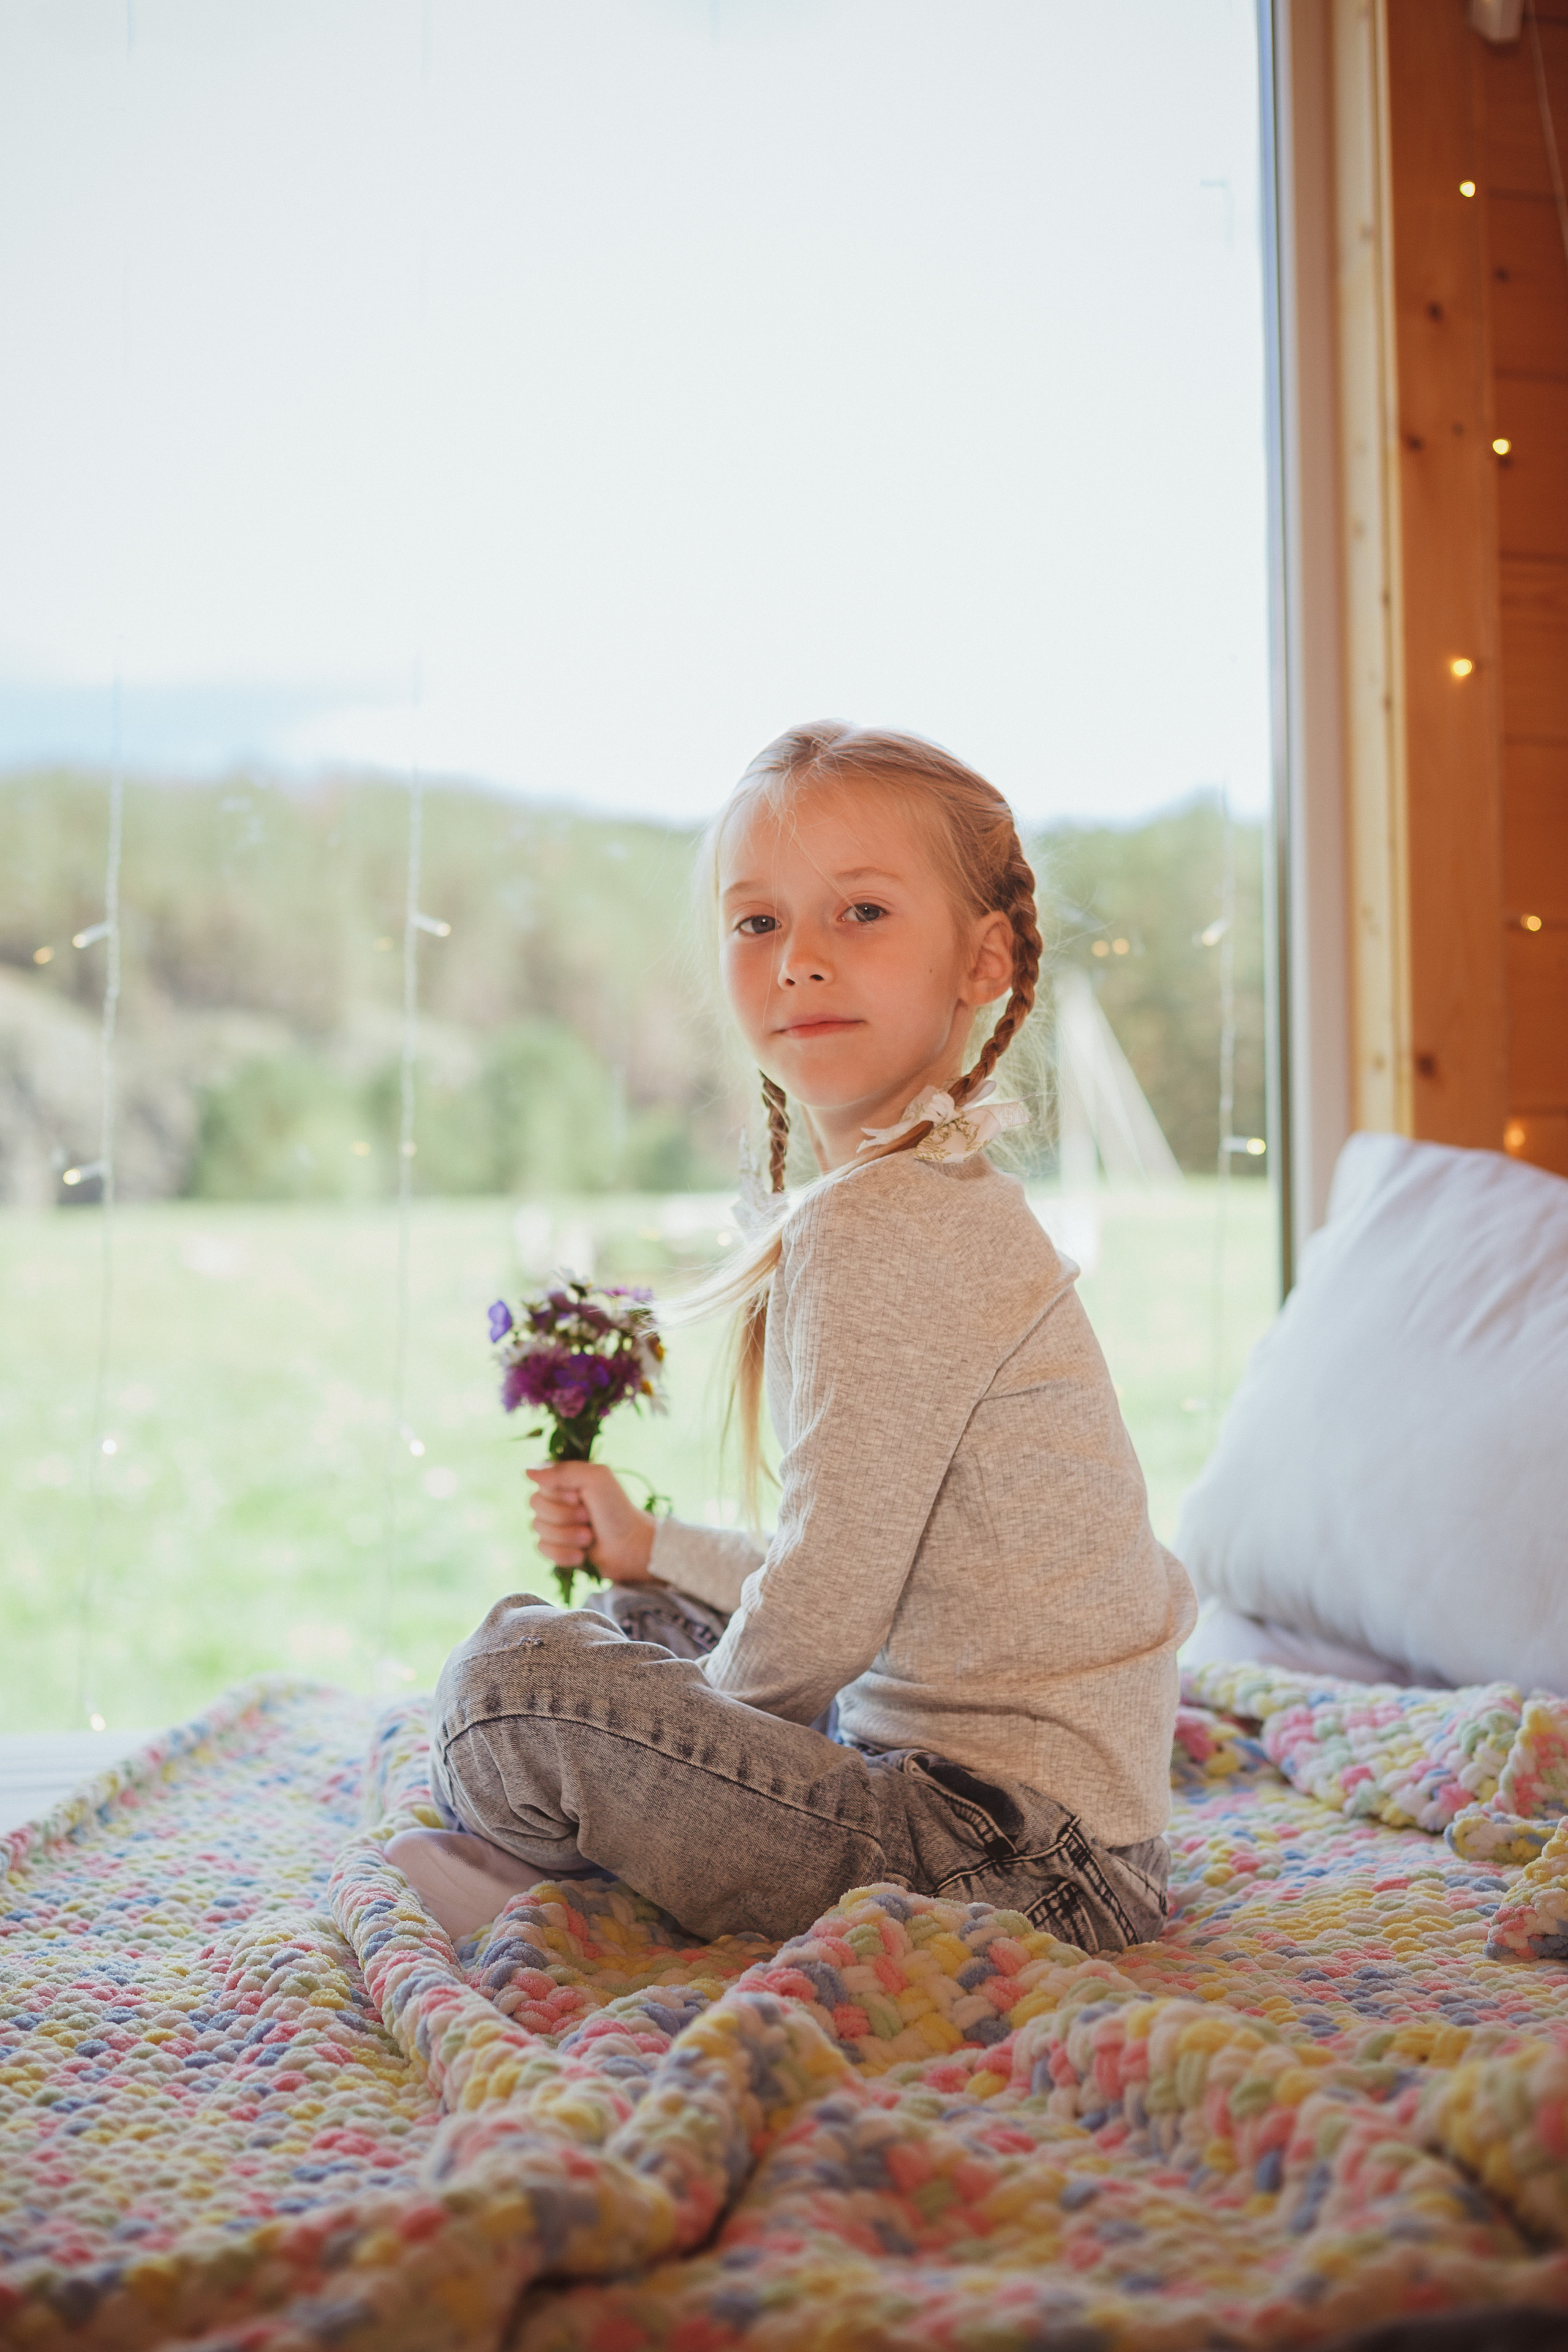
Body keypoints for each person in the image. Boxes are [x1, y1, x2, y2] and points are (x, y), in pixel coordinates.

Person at [390, 723, 1197, 1950]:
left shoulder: (887, 1222)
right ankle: (591, 1823)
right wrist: (652, 1546)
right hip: (1045, 1834)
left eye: (859, 913)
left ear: (980, 962)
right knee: (638, 1620)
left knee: (511, 1689)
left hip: (1007, 1863)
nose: (800, 961)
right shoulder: (918, 1193)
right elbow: (857, 1558)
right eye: (757, 922)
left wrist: (684, 1750)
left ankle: (574, 1877)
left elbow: (821, 1612)